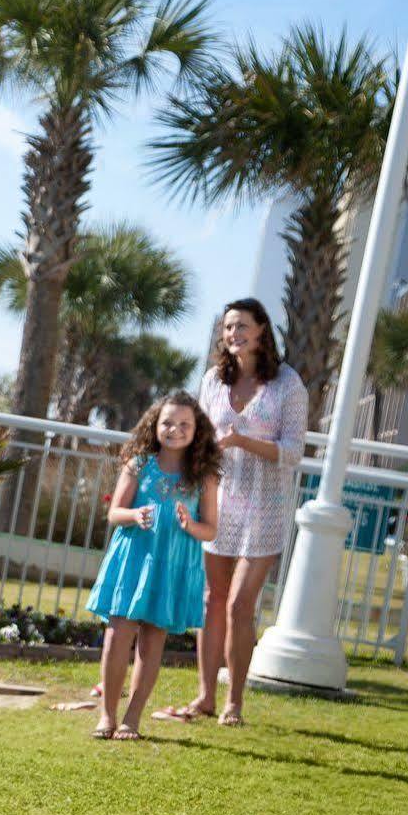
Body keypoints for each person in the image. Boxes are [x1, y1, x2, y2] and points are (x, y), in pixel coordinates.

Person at [154, 299, 307, 727]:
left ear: (261, 330)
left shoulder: (287, 384)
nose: (232, 333)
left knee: (241, 605)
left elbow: (294, 452)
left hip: (265, 508)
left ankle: (234, 701)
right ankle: (205, 697)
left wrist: (243, 441)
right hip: (219, 501)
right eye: (226, 327)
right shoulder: (212, 380)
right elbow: (198, 435)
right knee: (211, 601)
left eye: (241, 325)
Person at [87, 392, 221, 740]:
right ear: (154, 424)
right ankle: (107, 716)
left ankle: (132, 718)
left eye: (184, 424)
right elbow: (114, 513)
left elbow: (211, 528)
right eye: (167, 423)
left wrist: (190, 524)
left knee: (151, 643)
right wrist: (135, 515)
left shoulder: (203, 475)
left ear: (197, 430)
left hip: (172, 565)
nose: (175, 429)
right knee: (117, 636)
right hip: (133, 559)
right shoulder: (139, 463)